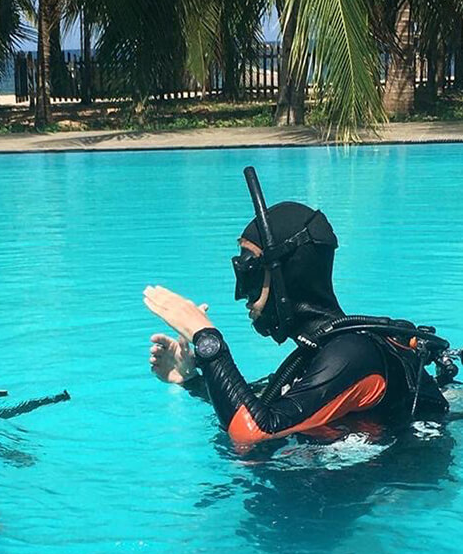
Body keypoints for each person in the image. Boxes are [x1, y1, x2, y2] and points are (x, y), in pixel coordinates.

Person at [144, 172, 450, 448]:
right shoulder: (319, 353)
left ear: (287, 276)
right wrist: (192, 379)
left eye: (250, 274)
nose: (242, 295)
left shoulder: (352, 353)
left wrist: (206, 338)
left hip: (402, 488)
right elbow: (260, 403)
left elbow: (252, 430)